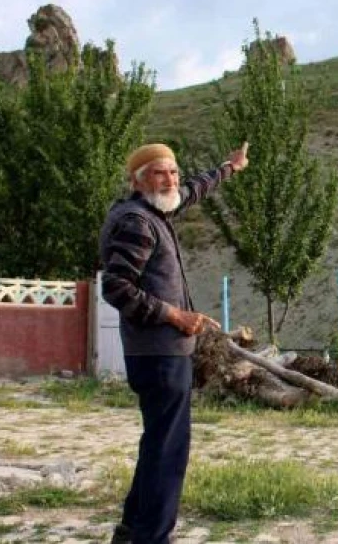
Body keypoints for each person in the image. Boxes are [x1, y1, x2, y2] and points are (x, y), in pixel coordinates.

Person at [100, 141, 248, 544]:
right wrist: (175, 315)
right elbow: (115, 286)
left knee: (158, 444)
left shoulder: (154, 210)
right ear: (137, 180)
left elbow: (189, 193)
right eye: (159, 173)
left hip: (162, 354)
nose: (171, 181)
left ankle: (132, 531)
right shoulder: (138, 222)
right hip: (159, 354)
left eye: (174, 172)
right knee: (169, 452)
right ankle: (153, 537)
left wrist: (228, 168)